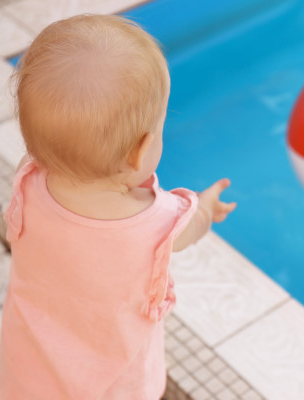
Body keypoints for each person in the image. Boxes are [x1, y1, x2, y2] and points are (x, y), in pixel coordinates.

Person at [0, 14, 236, 399]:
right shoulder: (157, 223)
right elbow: (194, 226)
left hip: (29, 368)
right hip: (115, 386)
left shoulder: (30, 182)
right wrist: (207, 207)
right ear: (142, 150)